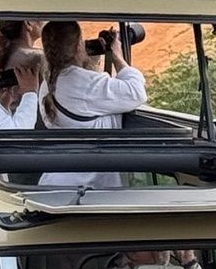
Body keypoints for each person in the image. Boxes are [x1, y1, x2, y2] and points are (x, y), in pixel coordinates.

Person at [39, 21, 147, 189]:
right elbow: (136, 92)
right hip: (89, 188)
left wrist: (89, 63)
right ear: (78, 47)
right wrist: (117, 56)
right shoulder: (83, 83)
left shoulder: (47, 83)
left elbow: (84, 101)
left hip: (55, 182)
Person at [0, 20, 46, 92]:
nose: (44, 22)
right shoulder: (39, 57)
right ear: (28, 23)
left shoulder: (4, 53)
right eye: (40, 18)